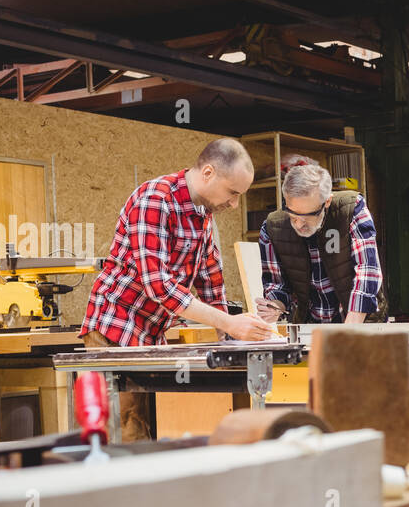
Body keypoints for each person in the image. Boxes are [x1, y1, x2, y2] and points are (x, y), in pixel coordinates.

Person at [79, 138, 271, 438]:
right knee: (123, 432)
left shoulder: (203, 215)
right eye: (232, 193)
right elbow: (158, 286)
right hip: (115, 328)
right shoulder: (154, 200)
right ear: (208, 173)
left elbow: (211, 281)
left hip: (151, 333)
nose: (234, 204)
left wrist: (230, 338)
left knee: (145, 428)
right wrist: (230, 323)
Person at [255, 160, 383, 325]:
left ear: (327, 202)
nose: (299, 224)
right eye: (293, 215)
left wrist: (351, 328)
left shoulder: (352, 210)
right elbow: (276, 283)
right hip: (309, 327)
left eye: (308, 216)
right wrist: (274, 306)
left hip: (359, 322)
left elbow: (367, 270)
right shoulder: (273, 227)